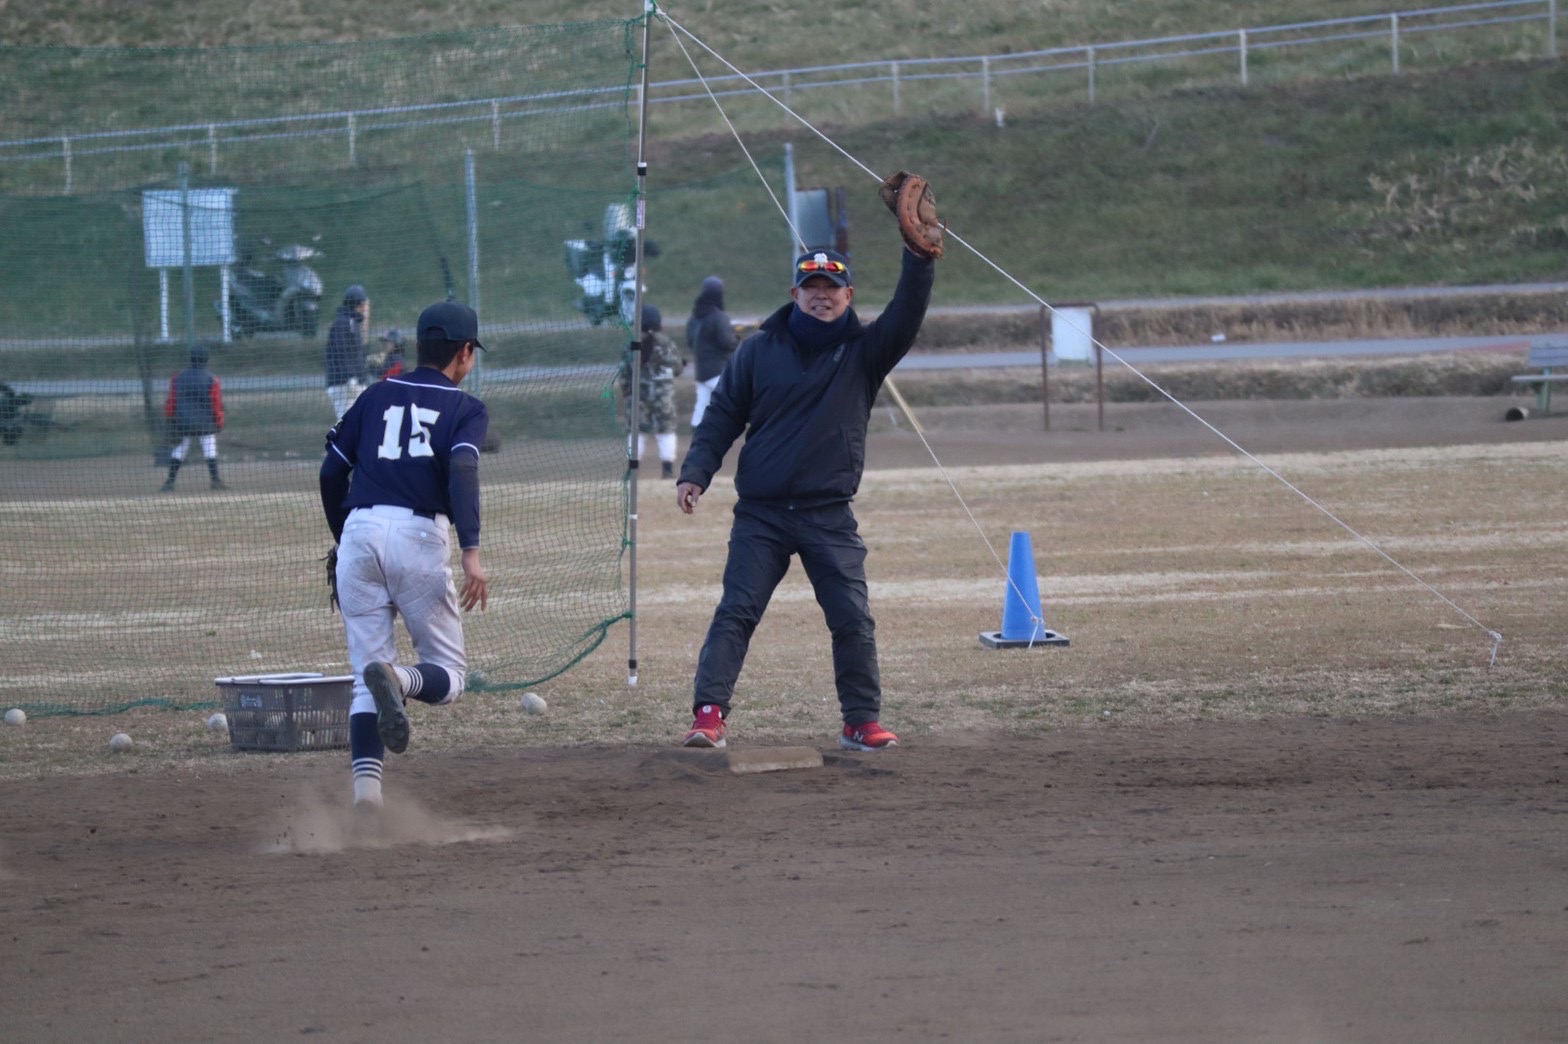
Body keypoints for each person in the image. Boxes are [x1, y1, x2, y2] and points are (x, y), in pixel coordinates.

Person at [675, 242, 936, 752]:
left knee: (852, 617)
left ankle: (860, 721)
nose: (822, 296)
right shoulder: (757, 350)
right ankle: (708, 717)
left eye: (831, 288)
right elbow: (723, 415)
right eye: (812, 288)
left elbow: (907, 310)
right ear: (795, 293)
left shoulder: (867, 350)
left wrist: (918, 257)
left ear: (848, 295)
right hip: (762, 514)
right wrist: (695, 472)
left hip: (828, 513)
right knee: (737, 611)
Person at [319, 300, 490, 811]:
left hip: (361, 530)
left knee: (364, 678)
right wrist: (472, 554)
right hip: (419, 534)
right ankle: (402, 679)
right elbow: (462, 470)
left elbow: (331, 473)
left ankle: (367, 798)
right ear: (464, 353)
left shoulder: (375, 395)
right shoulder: (465, 408)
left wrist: (343, 536)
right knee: (449, 676)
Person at [618, 303, 685, 479]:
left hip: (637, 397)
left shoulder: (631, 344)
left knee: (637, 432)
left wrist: (626, 390)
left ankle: (632, 472)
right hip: (664, 397)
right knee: (666, 432)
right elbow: (677, 369)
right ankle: (667, 470)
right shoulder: (667, 343)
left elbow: (624, 372)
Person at [160, 342, 225, 492]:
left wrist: (170, 418)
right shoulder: (212, 378)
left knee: (180, 449)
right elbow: (216, 403)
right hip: (205, 421)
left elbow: (172, 399)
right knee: (210, 448)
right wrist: (219, 421)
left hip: (183, 421)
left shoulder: (178, 376)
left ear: (191, 358)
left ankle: (169, 482)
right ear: (206, 359)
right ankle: (215, 481)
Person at [685, 275, 736, 428]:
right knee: (740, 400)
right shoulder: (719, 317)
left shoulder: (693, 317)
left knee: (701, 408)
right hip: (718, 370)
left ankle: (696, 442)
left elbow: (690, 342)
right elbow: (727, 343)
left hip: (701, 371)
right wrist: (739, 339)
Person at [325, 284, 370, 420]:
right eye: (362, 305)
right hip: (344, 384)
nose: (364, 308)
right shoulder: (344, 323)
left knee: (355, 423)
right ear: (354, 304)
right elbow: (341, 351)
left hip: (349, 383)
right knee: (350, 424)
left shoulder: (351, 323)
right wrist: (351, 376)